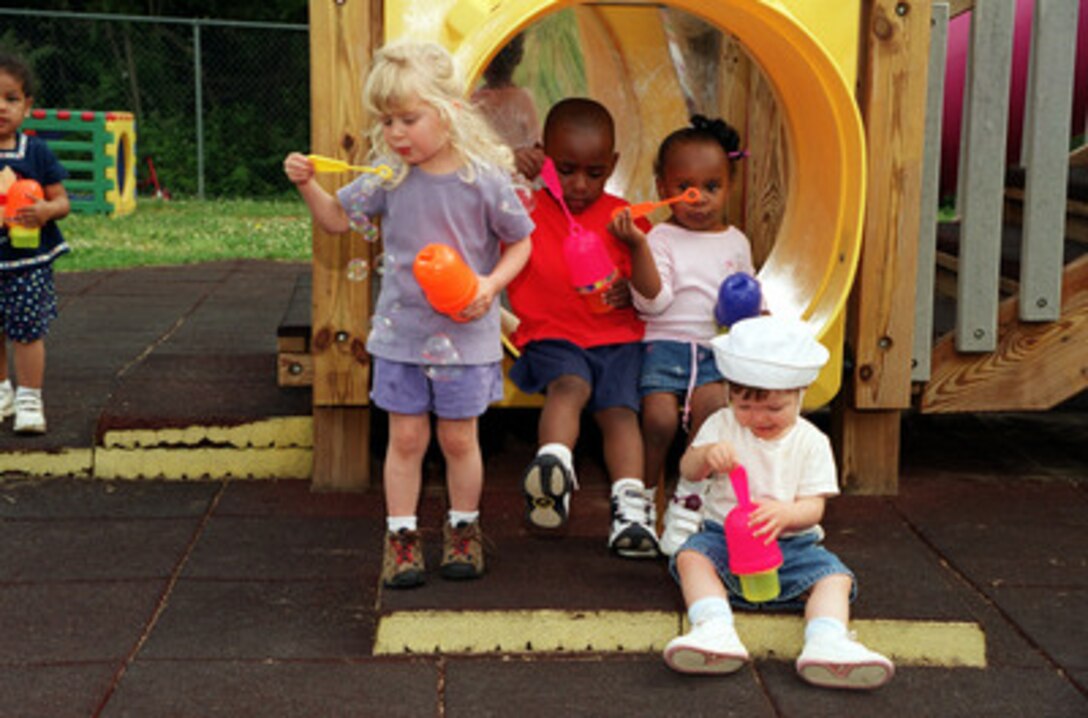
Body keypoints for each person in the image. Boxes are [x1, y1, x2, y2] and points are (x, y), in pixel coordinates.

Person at [283, 41, 534, 589]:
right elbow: (333, 221)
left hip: (465, 338)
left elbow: (521, 243)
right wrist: (307, 184)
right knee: (406, 440)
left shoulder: (483, 181)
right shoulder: (388, 176)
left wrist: (491, 285)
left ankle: (463, 531)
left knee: (461, 440)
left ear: (449, 111)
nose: (396, 133)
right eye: (387, 120)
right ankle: (401, 538)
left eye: (408, 119)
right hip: (401, 339)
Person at [661, 315, 895, 689]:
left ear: (800, 394)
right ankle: (713, 627)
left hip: (790, 545)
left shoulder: (811, 441)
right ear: (729, 395)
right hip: (723, 538)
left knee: (834, 577)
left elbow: (814, 507)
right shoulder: (722, 425)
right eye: (745, 407)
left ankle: (827, 640)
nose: (758, 418)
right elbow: (687, 469)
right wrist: (705, 455)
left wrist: (788, 515)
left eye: (774, 408)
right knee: (691, 557)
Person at [506, 97, 659, 558]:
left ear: (613, 164)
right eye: (566, 169)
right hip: (552, 333)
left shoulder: (624, 217)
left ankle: (630, 508)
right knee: (569, 386)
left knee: (620, 413)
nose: (579, 185)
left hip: (617, 338)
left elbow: (651, 290)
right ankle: (553, 468)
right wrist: (508, 168)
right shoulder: (523, 204)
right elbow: (467, 197)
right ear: (543, 156)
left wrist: (630, 284)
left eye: (594, 173)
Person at [610, 115, 756, 556]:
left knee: (712, 416)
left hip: (713, 350)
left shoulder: (737, 242)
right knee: (658, 420)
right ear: (662, 186)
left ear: (729, 185)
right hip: (665, 346)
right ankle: (647, 499)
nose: (699, 199)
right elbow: (652, 302)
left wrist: (754, 313)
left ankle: (687, 499)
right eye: (686, 187)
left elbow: (745, 299)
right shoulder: (660, 238)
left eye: (711, 187)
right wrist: (637, 247)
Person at [0, 52, 71, 435]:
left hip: (27, 263)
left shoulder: (36, 153)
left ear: (27, 105)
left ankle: (30, 398)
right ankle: (1, 392)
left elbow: (63, 202)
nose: (1, 108)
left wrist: (45, 211)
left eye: (11, 99)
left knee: (27, 331)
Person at [470, 33, 544, 181]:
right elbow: (537, 144)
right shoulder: (523, 99)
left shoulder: (474, 101)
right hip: (515, 180)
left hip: (490, 179)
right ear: (518, 59)